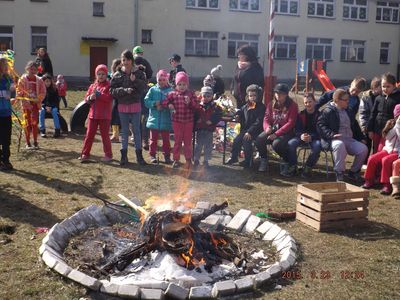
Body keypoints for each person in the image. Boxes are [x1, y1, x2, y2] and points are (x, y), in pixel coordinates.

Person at [317, 89, 368, 182]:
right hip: (333, 139)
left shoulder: (349, 110)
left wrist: (361, 138)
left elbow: (355, 125)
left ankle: (353, 172)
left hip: (348, 139)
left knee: (363, 149)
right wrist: (332, 135)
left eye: (348, 99)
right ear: (337, 101)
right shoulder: (327, 111)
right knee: (339, 145)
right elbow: (320, 126)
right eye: (345, 100)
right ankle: (339, 173)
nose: (348, 101)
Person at [110, 50, 148, 166]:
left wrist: (134, 80)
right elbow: (112, 91)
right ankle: (123, 156)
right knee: (125, 131)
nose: (124, 62)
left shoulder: (139, 73)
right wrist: (124, 90)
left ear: (131, 60)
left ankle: (139, 156)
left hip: (135, 105)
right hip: (123, 106)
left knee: (136, 131)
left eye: (126, 60)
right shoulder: (117, 75)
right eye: (123, 60)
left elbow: (144, 87)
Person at [256, 83, 298, 174]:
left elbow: (291, 123)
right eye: (276, 93)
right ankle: (264, 159)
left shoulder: (292, 106)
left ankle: (287, 161)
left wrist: (276, 134)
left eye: (281, 93)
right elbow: (266, 119)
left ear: (286, 94)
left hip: (287, 132)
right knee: (259, 139)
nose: (278, 95)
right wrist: (267, 127)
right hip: (273, 129)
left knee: (277, 144)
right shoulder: (271, 104)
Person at [162, 71, 198, 169]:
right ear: (176, 85)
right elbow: (165, 102)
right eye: (180, 84)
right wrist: (168, 104)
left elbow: (196, 107)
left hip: (188, 122)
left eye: (184, 84)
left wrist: (190, 102)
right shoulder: (172, 94)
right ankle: (176, 159)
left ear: (187, 85)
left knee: (187, 142)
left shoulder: (191, 94)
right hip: (176, 121)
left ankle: (188, 159)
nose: (182, 86)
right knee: (177, 141)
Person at [78, 64, 113, 163]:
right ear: (96, 75)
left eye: (103, 74)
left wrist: (99, 95)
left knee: (105, 136)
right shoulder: (93, 86)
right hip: (93, 115)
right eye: (99, 74)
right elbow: (86, 98)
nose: (101, 76)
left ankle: (108, 155)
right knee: (89, 135)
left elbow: (109, 98)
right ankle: (85, 154)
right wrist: (89, 98)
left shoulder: (109, 86)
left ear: (106, 75)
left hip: (105, 116)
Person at [363, 104, 400, 194]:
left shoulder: (398, 126)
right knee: (372, 158)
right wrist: (394, 126)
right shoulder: (391, 123)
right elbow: (387, 137)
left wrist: (398, 127)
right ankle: (369, 180)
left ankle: (386, 184)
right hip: (387, 149)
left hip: (397, 152)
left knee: (386, 160)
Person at [226, 84, 265, 169]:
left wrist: (249, 132)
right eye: (250, 96)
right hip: (246, 130)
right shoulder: (248, 105)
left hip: (255, 131)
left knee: (246, 141)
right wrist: (237, 115)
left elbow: (259, 122)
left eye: (254, 95)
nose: (252, 98)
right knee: (236, 140)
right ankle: (233, 157)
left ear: (258, 96)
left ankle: (248, 160)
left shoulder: (261, 107)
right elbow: (241, 110)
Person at [287, 93, 321, 178]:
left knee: (317, 146)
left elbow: (321, 131)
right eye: (306, 102)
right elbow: (297, 129)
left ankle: (308, 167)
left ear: (315, 102)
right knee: (291, 143)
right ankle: (293, 166)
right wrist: (301, 135)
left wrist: (311, 137)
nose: (308, 104)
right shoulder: (300, 114)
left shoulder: (320, 115)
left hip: (314, 137)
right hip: (301, 137)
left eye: (310, 102)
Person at [144, 69, 173, 164]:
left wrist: (167, 107)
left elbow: (173, 103)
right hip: (154, 119)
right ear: (157, 80)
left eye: (163, 80)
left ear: (167, 80)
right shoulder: (152, 90)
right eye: (159, 80)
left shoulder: (170, 91)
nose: (161, 82)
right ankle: (152, 155)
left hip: (165, 119)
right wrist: (154, 104)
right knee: (153, 139)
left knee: (166, 140)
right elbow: (146, 101)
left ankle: (167, 156)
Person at [367, 73, 400, 153]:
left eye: (388, 86)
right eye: (383, 86)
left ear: (394, 85)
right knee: (375, 150)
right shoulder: (378, 98)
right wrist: (370, 129)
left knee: (381, 151)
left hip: (389, 132)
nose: (385, 89)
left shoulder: (398, 98)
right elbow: (373, 114)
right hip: (377, 129)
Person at [16, 61, 46, 149]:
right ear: (27, 69)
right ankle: (28, 142)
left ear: (37, 70)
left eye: (34, 69)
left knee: (34, 123)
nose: (32, 71)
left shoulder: (39, 80)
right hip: (26, 105)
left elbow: (43, 91)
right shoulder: (22, 79)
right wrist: (21, 94)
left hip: (35, 105)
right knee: (27, 123)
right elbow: (19, 90)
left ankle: (35, 141)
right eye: (31, 69)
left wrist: (38, 99)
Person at [193, 86, 222, 168]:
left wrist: (212, 121)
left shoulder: (215, 106)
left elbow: (219, 115)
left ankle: (206, 160)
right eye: (204, 96)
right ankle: (196, 159)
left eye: (208, 96)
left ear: (212, 96)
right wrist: (197, 119)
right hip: (200, 128)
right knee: (198, 145)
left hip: (209, 129)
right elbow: (195, 114)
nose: (206, 98)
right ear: (201, 96)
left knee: (208, 145)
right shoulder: (198, 105)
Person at [133, 46, 153, 151]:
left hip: (134, 92)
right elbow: (150, 73)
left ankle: (137, 139)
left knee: (135, 116)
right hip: (144, 91)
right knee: (145, 116)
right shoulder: (146, 61)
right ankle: (145, 140)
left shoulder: (131, 62)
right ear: (142, 53)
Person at [359, 77, 382, 156]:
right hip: (367, 125)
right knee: (367, 144)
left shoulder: (382, 97)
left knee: (376, 145)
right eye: (380, 87)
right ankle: (364, 161)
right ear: (374, 87)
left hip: (378, 125)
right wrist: (365, 127)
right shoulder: (366, 96)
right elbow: (362, 113)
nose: (382, 89)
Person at [0, 57, 16, 170]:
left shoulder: (9, 78)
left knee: (6, 138)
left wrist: (13, 95)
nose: (7, 67)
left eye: (7, 65)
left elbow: (13, 92)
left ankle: (6, 160)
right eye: (4, 65)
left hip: (6, 113)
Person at [39, 73, 61, 138]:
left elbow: (56, 100)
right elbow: (40, 100)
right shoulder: (41, 90)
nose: (48, 83)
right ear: (43, 82)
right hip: (44, 106)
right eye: (46, 81)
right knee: (41, 111)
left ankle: (57, 130)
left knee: (54, 111)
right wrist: (45, 106)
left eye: (49, 81)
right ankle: (42, 130)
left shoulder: (54, 89)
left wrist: (51, 107)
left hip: (53, 107)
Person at [109, 58, 121, 142]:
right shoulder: (112, 76)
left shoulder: (120, 75)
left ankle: (116, 135)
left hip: (119, 99)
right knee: (113, 117)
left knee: (117, 117)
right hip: (114, 99)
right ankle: (115, 134)